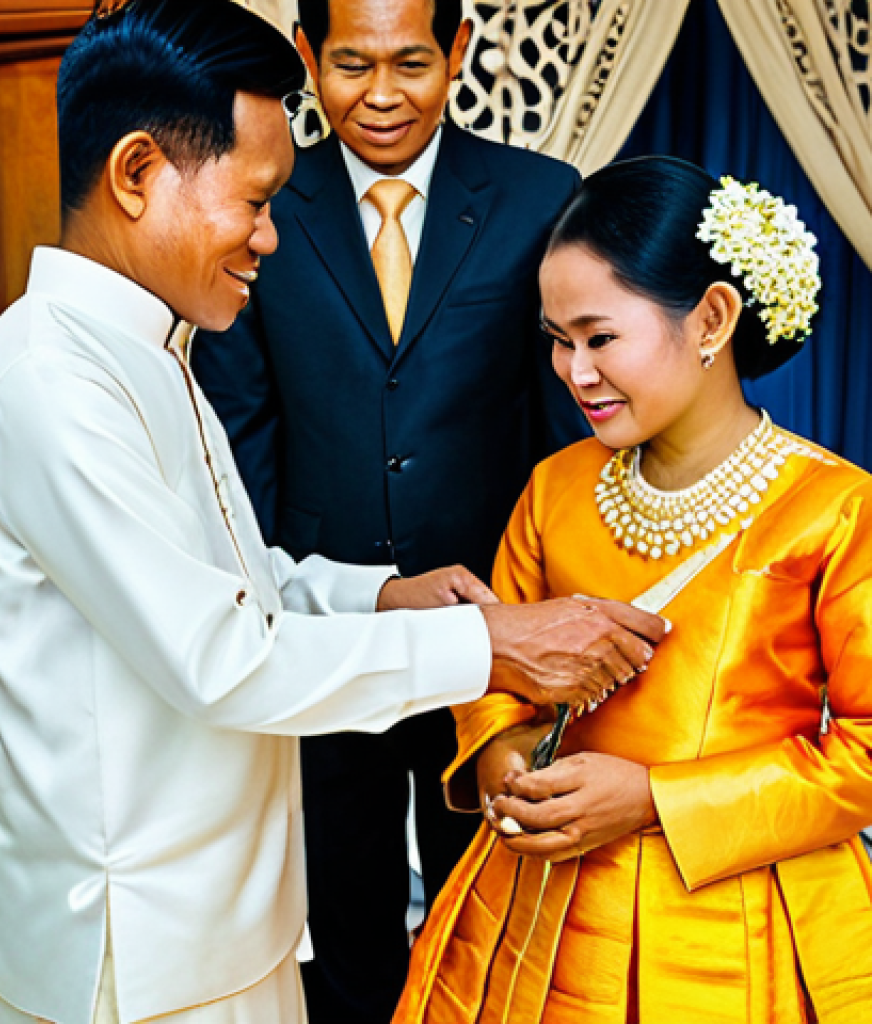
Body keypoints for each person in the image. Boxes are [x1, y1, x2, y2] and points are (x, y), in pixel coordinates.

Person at [0, 3, 665, 1023]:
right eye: (254, 201)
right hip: (140, 939)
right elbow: (220, 654)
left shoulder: (141, 350)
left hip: (220, 917)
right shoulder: (49, 385)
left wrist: (381, 594)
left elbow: (232, 572)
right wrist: (489, 646)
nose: (270, 237)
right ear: (138, 174)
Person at [392, 155, 872, 1024]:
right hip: (536, 908)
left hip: (737, 924)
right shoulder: (556, 489)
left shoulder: (835, 511)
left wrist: (654, 798)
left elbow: (867, 754)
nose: (572, 371)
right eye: (556, 338)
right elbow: (495, 674)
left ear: (713, 318)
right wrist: (502, 763)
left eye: (599, 336)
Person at [190, 1, 583, 1018]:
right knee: (341, 910)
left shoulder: (538, 197)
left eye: (410, 62)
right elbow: (244, 428)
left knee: (488, 906)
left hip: (491, 633)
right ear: (307, 58)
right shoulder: (265, 201)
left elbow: (567, 437)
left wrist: (547, 614)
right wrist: (268, 604)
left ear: (457, 52)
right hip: (325, 631)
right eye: (351, 64)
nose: (380, 95)